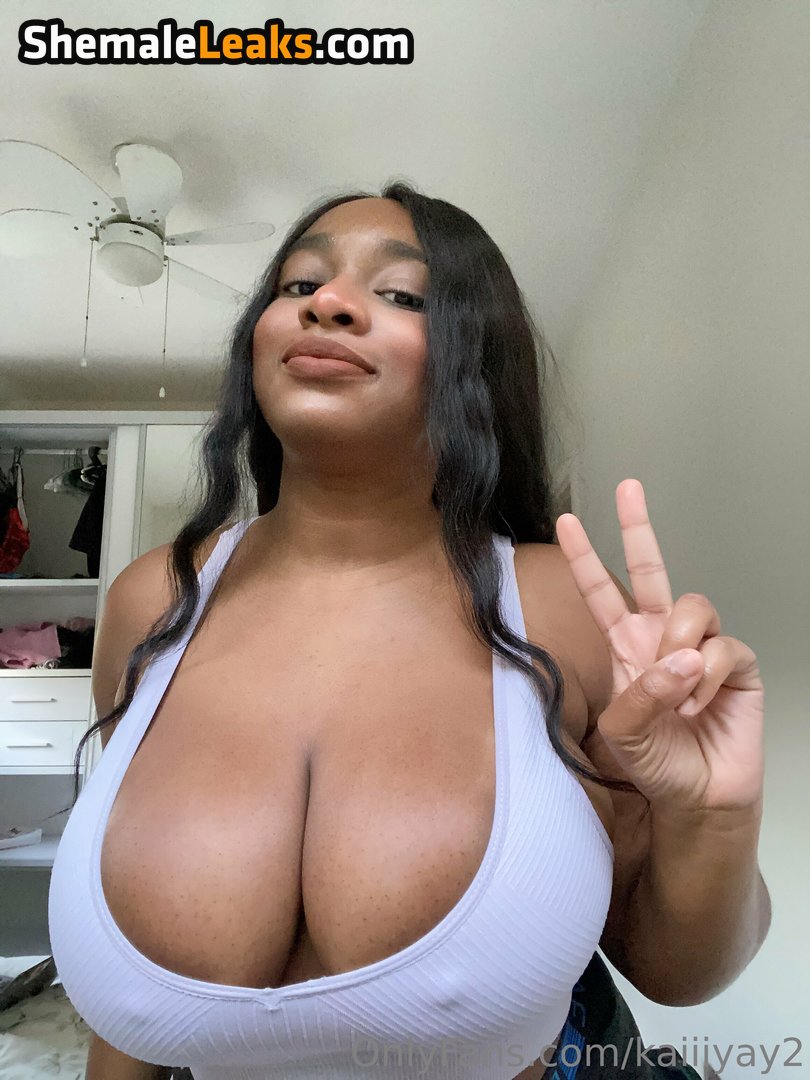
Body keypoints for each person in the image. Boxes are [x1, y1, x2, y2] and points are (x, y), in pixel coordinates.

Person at [47, 183, 771, 1079]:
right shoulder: (152, 602)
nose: (328, 301)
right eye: (298, 283)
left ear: (476, 360)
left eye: (401, 294)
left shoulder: (557, 603)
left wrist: (712, 817)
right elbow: (126, 1023)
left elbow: (676, 973)